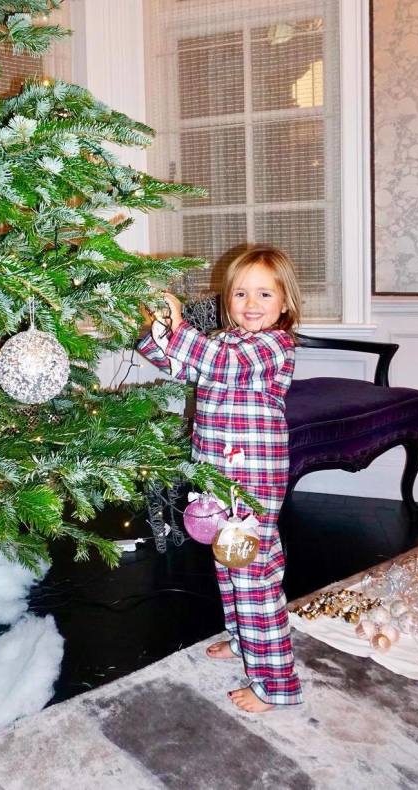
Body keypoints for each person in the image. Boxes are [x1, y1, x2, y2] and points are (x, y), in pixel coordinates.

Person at [137, 245, 303, 712]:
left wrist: (183, 328)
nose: (251, 304)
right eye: (240, 293)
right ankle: (241, 636)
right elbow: (175, 361)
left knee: (252, 573)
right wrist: (160, 326)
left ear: (285, 303)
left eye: (264, 294)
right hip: (216, 473)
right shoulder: (222, 341)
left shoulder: (275, 346)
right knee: (228, 560)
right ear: (227, 299)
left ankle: (276, 683)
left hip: (252, 478)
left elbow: (218, 364)